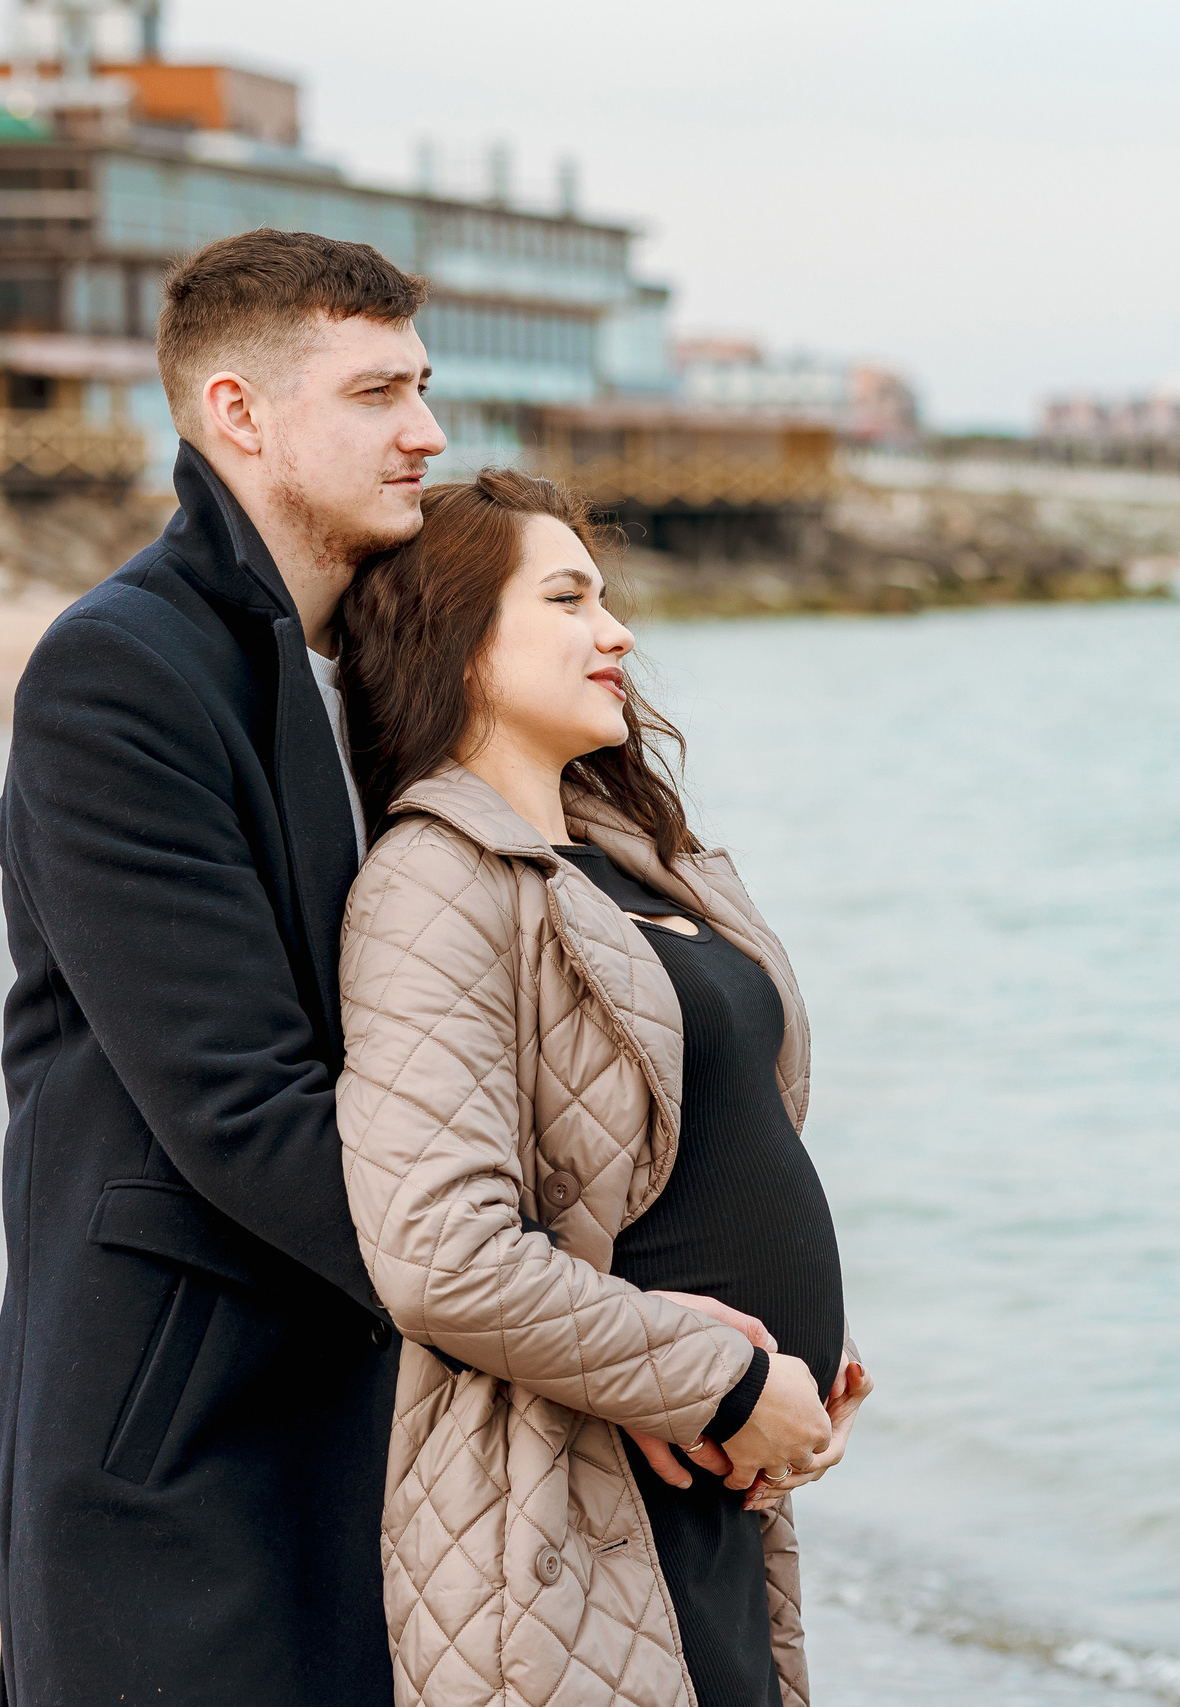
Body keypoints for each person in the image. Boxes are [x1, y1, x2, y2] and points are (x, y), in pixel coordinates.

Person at [0, 227, 445, 1705]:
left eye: (422, 388)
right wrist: (573, 1328)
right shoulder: (119, 668)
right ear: (239, 412)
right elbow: (245, 1105)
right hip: (177, 1438)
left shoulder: (365, 675)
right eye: (377, 392)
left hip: (356, 1408)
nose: (425, 432)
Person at [332, 469, 871, 1707]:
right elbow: (439, 1254)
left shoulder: (625, 859)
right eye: (569, 598)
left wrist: (807, 1350)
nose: (616, 632)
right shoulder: (435, 883)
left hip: (706, 1475)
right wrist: (725, 1374)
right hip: (567, 1500)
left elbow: (683, 1153)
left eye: (608, 597)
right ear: (457, 642)